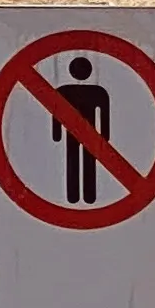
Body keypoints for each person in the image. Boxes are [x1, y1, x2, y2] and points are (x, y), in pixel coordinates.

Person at [51, 52, 114, 204]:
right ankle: (86, 195)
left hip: (76, 133)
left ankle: (76, 196)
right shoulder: (98, 92)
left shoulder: (65, 90)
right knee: (85, 162)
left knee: (75, 161)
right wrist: (104, 136)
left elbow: (56, 114)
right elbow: (104, 116)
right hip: (87, 134)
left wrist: (57, 133)